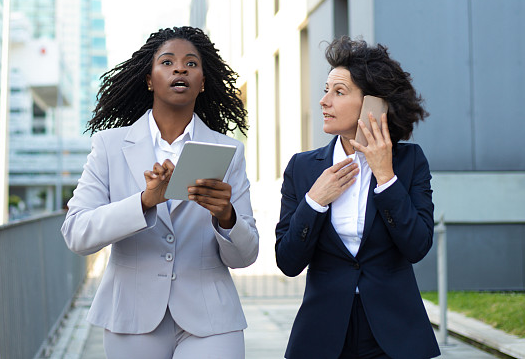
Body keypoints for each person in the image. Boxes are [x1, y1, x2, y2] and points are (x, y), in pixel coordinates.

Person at [61, 26, 258, 359]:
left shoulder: (228, 151)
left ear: (203, 81)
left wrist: (227, 217)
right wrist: (144, 202)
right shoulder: (109, 147)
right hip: (132, 318)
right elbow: (77, 234)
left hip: (211, 319)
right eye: (167, 62)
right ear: (149, 79)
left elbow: (245, 256)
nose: (180, 68)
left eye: (191, 64)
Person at [275, 36, 440, 359]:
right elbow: (288, 261)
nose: (324, 101)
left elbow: (417, 246)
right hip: (322, 335)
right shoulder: (303, 168)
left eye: (339, 92)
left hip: (393, 336)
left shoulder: (409, 163)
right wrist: (314, 202)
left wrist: (385, 178)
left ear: (373, 104)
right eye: (326, 90)